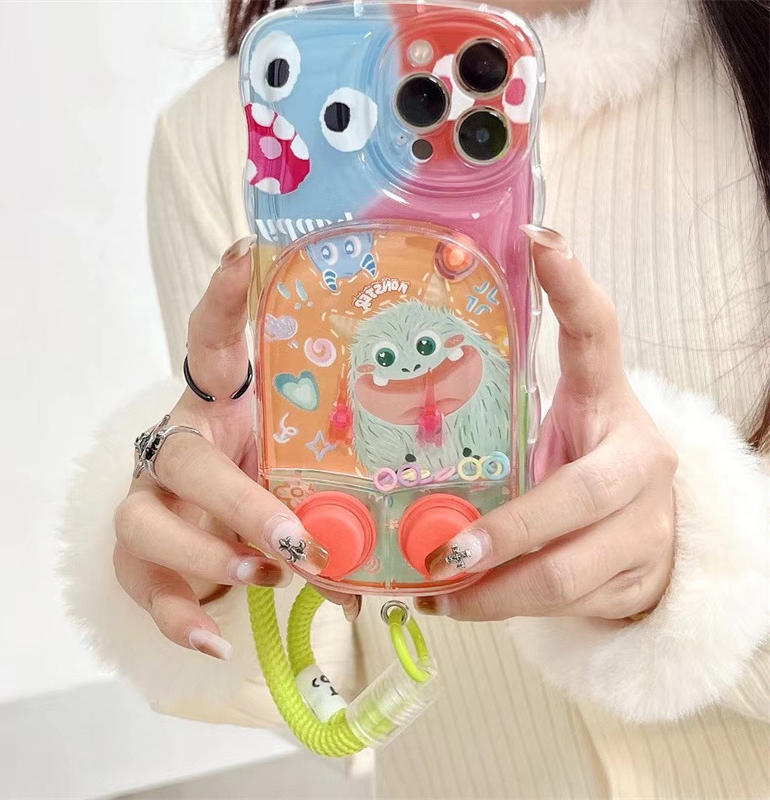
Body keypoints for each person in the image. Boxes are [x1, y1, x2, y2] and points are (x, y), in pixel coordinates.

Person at [60, 0, 770, 796]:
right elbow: (332, 675)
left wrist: (704, 566)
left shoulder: (744, 70)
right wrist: (217, 562)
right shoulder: (238, 131)